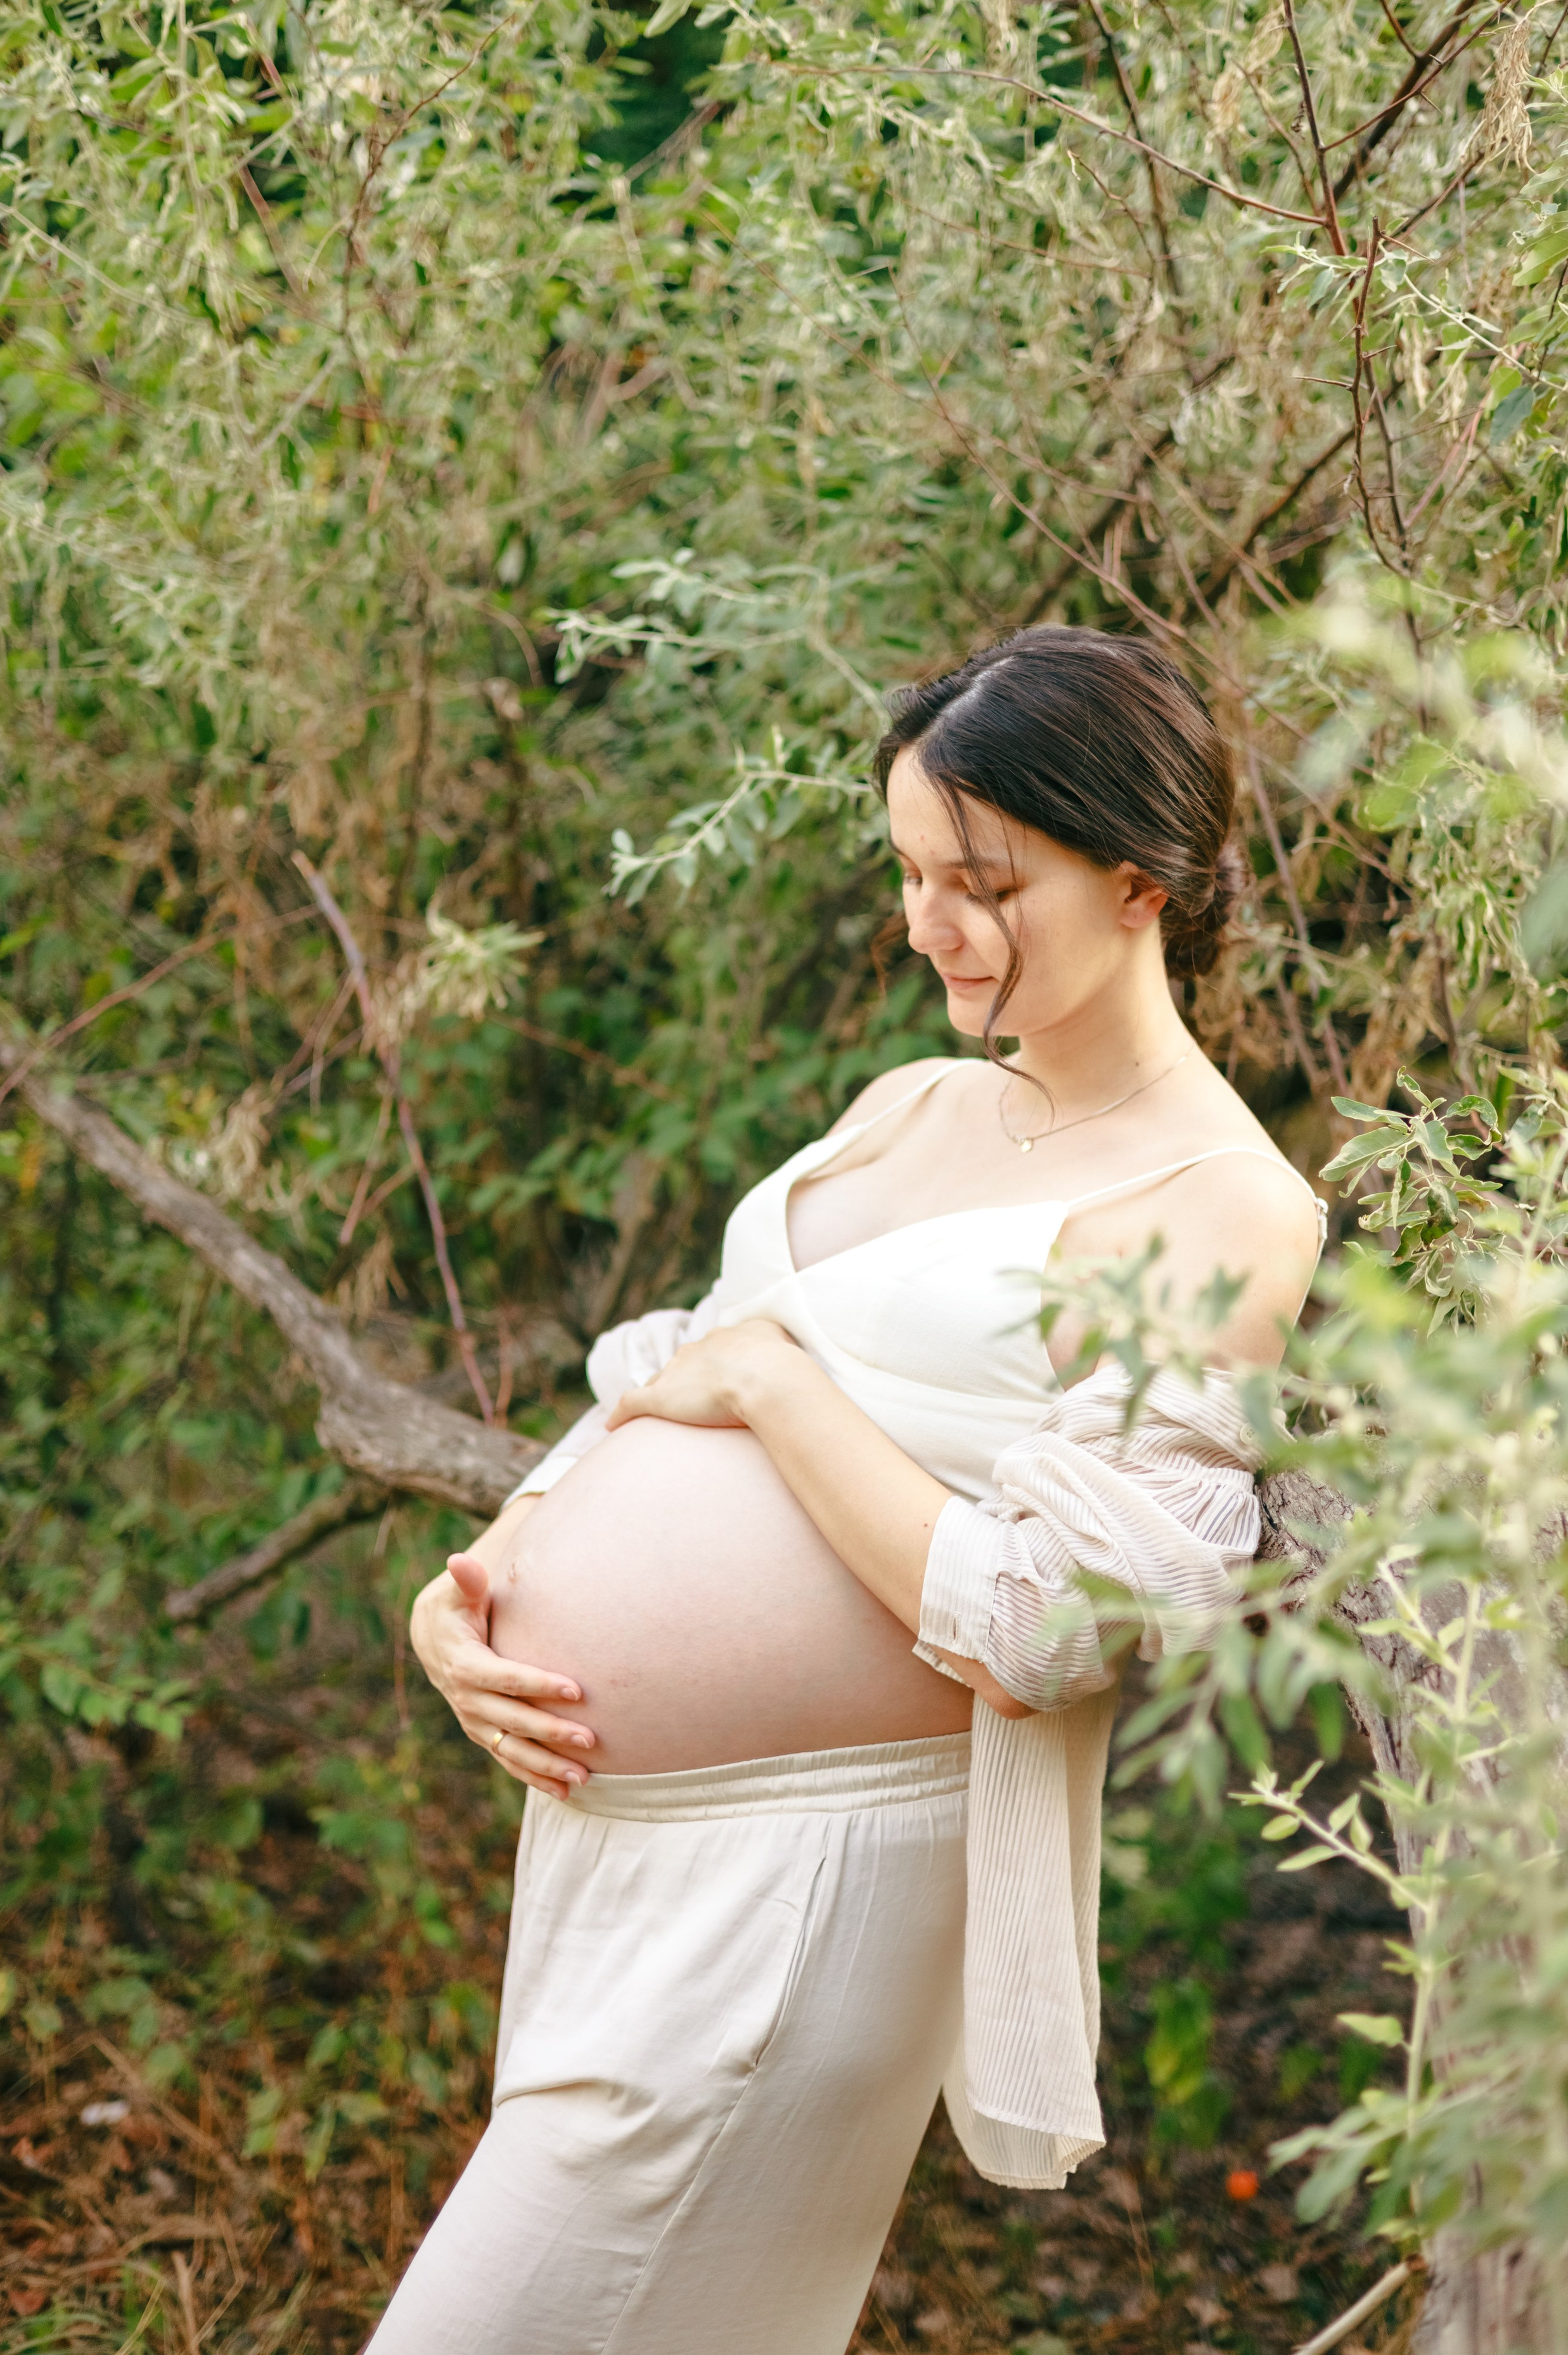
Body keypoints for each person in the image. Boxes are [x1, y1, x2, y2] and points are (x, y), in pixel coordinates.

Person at [371, 626, 1323, 2355]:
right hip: (609, 1854)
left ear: (1138, 882)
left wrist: (780, 1395)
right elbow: (688, 1359)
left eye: (983, 881)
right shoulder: (912, 1106)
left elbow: (1070, 1624)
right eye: (909, 873)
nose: (930, 925)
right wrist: (488, 1572)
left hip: (804, 1876)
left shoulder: (1225, 1203)